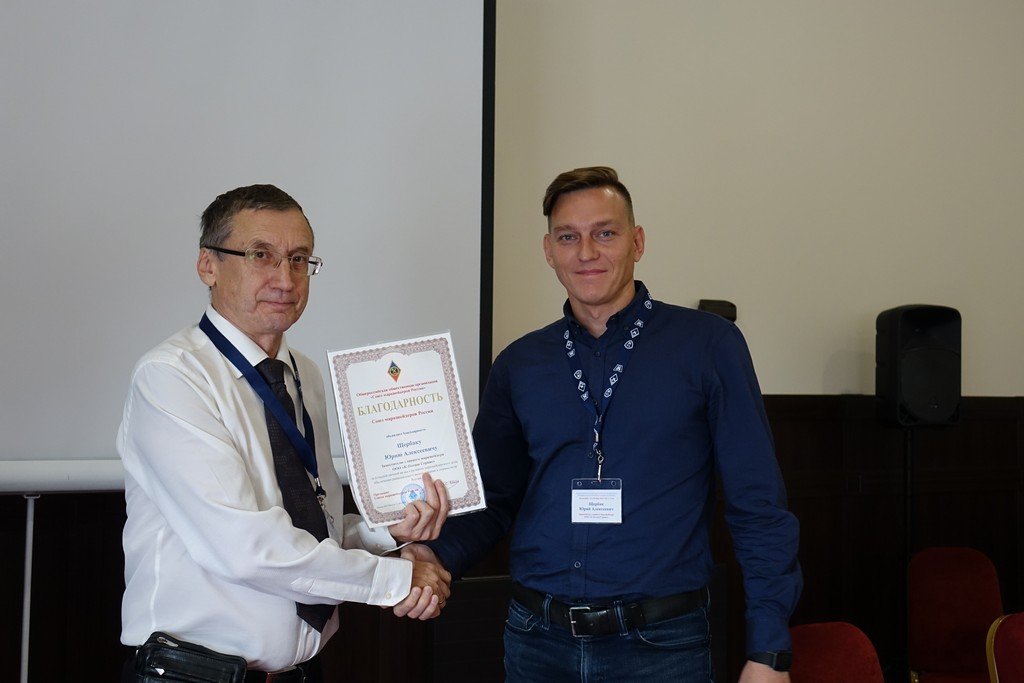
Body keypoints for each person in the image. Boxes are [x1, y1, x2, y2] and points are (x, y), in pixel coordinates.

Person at [416, 166, 802, 682]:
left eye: (605, 233)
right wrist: (432, 555)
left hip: (661, 646)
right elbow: (493, 499)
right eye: (567, 237)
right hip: (536, 641)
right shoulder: (520, 364)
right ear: (548, 251)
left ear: (636, 242)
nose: (586, 252)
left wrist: (769, 650)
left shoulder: (708, 346)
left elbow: (758, 503)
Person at [118, 184, 451, 682]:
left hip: (299, 671)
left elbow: (309, 527)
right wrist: (396, 579)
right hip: (194, 674)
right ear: (208, 265)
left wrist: (386, 532)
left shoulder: (304, 376)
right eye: (261, 255)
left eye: (299, 259)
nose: (285, 279)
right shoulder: (173, 376)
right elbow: (248, 549)